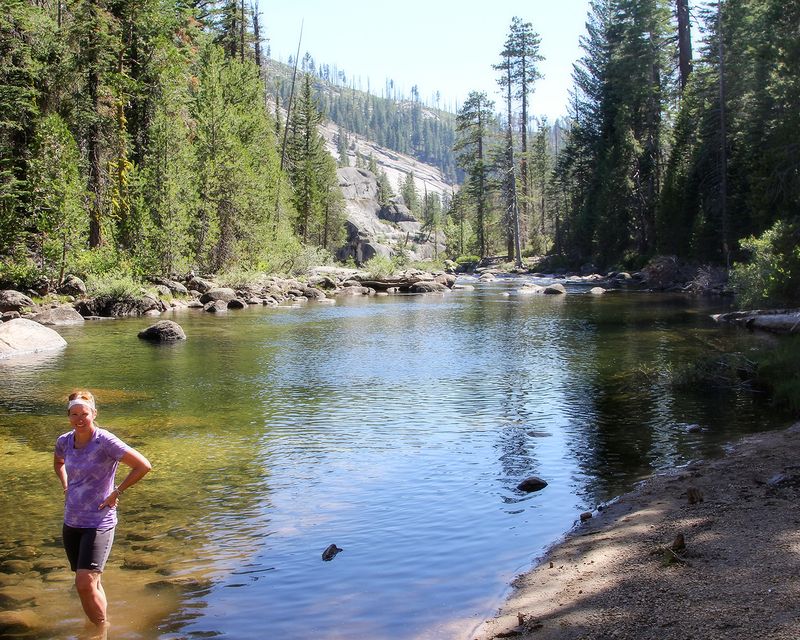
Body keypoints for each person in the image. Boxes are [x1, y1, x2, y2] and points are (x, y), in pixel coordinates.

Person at [53, 390, 152, 627]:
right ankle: (99, 625)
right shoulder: (64, 441)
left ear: (94, 413)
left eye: (84, 414)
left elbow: (143, 466)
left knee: (84, 583)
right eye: (74, 414)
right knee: (92, 583)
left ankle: (100, 631)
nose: (79, 419)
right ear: (68, 415)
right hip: (72, 521)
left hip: (99, 522)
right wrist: (66, 485)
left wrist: (116, 492)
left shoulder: (104, 441)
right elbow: (58, 463)